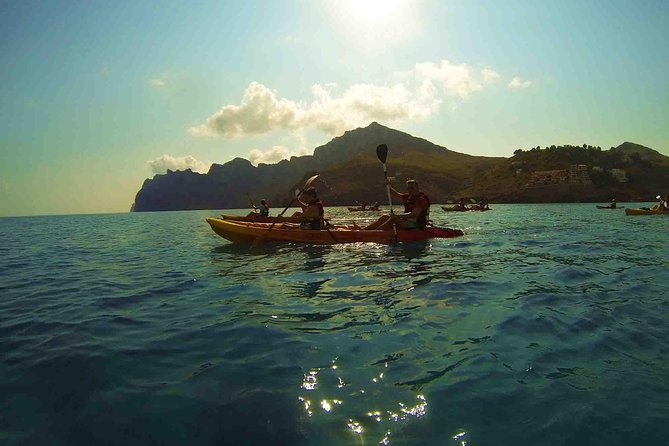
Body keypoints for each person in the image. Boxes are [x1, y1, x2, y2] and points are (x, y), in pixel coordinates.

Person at [364, 179, 430, 230]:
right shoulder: (409, 196)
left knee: (393, 219)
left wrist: (397, 216)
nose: (410, 190)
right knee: (384, 217)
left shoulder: (421, 199)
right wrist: (388, 186)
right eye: (408, 188)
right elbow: (396, 195)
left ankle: (376, 232)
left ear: (417, 188)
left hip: (417, 224)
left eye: (412, 188)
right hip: (406, 222)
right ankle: (363, 230)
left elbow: (414, 214)